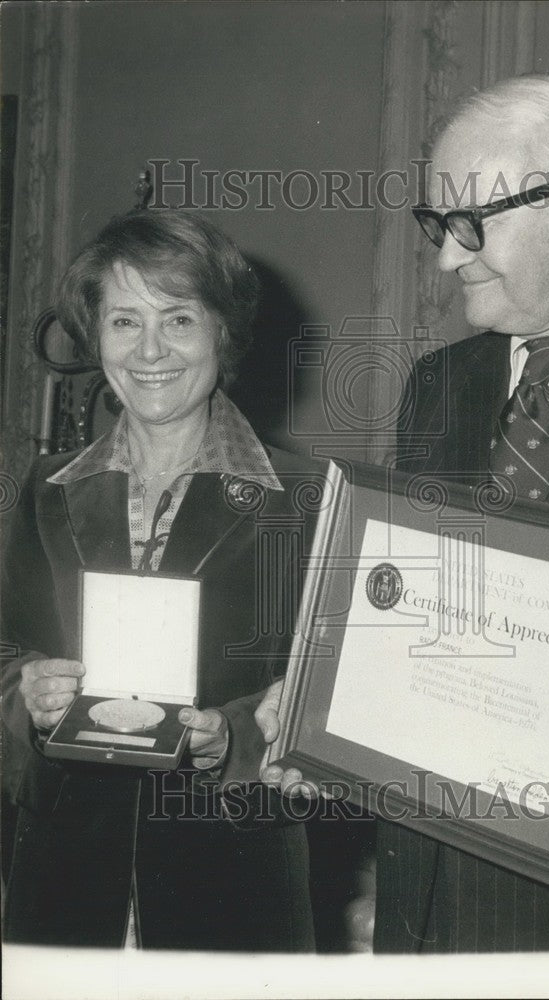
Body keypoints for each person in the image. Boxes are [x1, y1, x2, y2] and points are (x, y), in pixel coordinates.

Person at [258, 74, 549, 951]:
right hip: (427, 907)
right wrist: (323, 708)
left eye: (472, 224)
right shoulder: (440, 383)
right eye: (436, 225)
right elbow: (414, 618)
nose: (445, 258)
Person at [2, 210, 316, 950]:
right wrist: (28, 694)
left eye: (178, 318)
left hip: (234, 882)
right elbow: (4, 648)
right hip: (66, 880)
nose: (149, 351)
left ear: (222, 332)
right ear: (94, 336)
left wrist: (231, 739)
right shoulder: (45, 487)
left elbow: (336, 693)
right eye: (122, 321)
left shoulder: (307, 497)